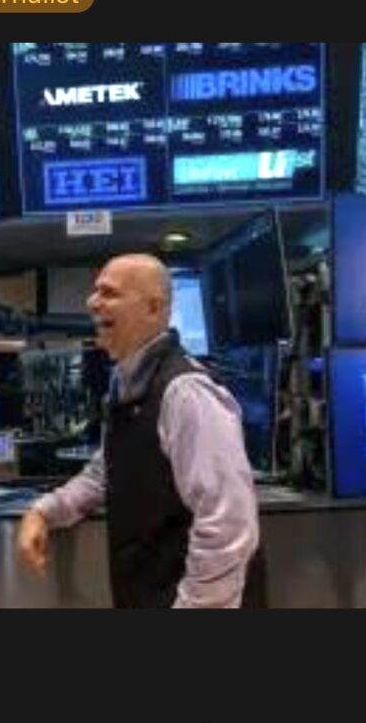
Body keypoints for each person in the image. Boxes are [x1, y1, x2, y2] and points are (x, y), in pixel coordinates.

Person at [16, 254, 260, 608]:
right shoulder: (126, 384)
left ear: (154, 308)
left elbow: (229, 523)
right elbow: (105, 472)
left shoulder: (186, 392)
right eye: (95, 291)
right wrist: (44, 511)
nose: (91, 302)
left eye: (109, 293)